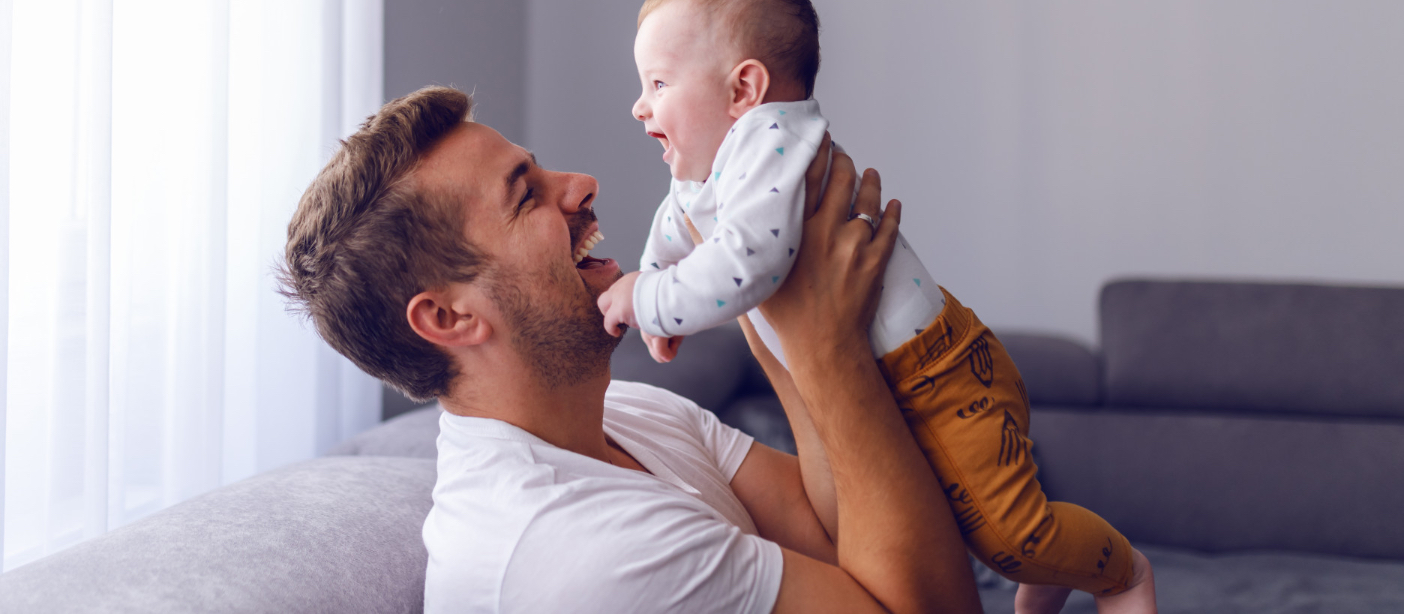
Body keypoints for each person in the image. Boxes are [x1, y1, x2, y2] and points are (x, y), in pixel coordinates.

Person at [278, 85, 983, 613]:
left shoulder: (629, 414)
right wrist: (828, 349)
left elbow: (841, 530)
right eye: (526, 197)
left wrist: (760, 288)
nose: (580, 184)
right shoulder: (579, 552)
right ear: (448, 317)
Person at [596, 0, 1156, 614]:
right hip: (884, 374)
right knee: (937, 526)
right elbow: (678, 218)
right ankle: (1054, 563)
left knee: (1007, 537)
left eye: (658, 83)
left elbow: (745, 266)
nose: (639, 106)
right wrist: (660, 286)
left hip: (938, 373)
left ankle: (1121, 572)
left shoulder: (773, 143)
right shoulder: (719, 166)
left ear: (743, 91)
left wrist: (648, 299)